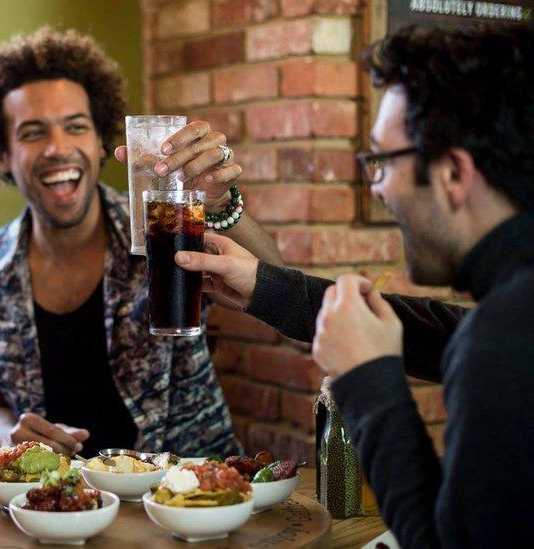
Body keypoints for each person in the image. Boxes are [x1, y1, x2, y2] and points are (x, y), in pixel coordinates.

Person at [176, 23, 534, 547]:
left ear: (454, 174)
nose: (378, 188)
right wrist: (265, 287)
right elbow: (455, 331)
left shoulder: (502, 343)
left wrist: (367, 381)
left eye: (382, 163)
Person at [0, 27, 283, 458]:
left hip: (194, 492)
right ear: (1, 155)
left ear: (99, 140)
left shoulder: (161, 223)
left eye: (76, 126)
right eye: (33, 132)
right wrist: (5, 433)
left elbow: (280, 284)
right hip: (54, 503)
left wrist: (221, 202)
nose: (58, 148)